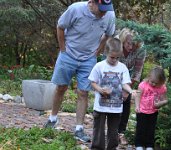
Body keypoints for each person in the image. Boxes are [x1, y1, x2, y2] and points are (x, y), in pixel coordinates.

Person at [44, 0, 115, 143]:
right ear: (92, 2)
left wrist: (97, 52)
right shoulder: (75, 9)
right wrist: (63, 49)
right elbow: (60, 26)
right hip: (68, 55)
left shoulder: (109, 15)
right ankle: (53, 118)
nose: (104, 12)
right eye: (101, 9)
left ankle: (79, 129)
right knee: (61, 87)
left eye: (106, 9)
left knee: (83, 92)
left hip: (88, 59)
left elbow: (108, 34)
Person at [88, 37, 135, 150]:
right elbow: (92, 82)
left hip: (116, 106)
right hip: (101, 106)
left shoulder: (122, 68)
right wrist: (100, 90)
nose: (114, 60)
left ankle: (112, 147)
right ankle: (97, 147)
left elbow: (124, 83)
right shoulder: (99, 66)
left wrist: (130, 91)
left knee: (113, 131)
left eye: (117, 58)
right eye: (112, 57)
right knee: (98, 130)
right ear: (106, 53)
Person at [116, 28, 146, 145]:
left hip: (128, 75)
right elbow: (107, 63)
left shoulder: (141, 50)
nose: (131, 47)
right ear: (123, 40)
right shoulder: (115, 43)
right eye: (129, 43)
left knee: (126, 101)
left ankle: (121, 132)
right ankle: (109, 130)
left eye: (134, 44)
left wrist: (127, 90)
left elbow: (137, 72)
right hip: (112, 73)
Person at [134, 66, 168, 150]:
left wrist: (161, 103)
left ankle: (149, 145)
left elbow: (164, 100)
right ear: (149, 77)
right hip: (142, 110)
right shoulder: (143, 85)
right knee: (141, 128)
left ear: (161, 82)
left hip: (153, 111)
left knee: (151, 129)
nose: (153, 84)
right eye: (152, 82)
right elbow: (138, 96)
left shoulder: (162, 88)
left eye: (156, 83)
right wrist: (137, 106)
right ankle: (139, 144)